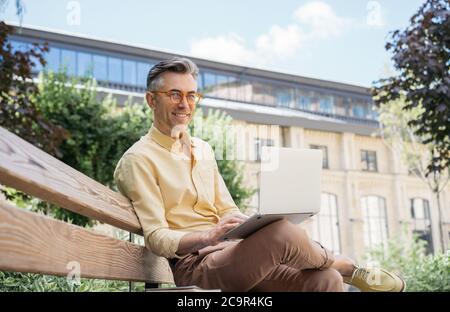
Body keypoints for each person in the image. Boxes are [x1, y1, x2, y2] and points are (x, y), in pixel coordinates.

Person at [114, 57, 405, 292]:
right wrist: (207, 236)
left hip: (232, 253)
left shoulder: (202, 150)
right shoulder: (138, 160)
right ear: (152, 100)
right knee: (282, 235)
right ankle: (348, 267)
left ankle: (334, 268)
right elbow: (156, 237)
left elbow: (227, 208)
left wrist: (247, 225)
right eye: (174, 94)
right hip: (195, 267)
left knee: (324, 280)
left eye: (192, 95)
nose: (184, 104)